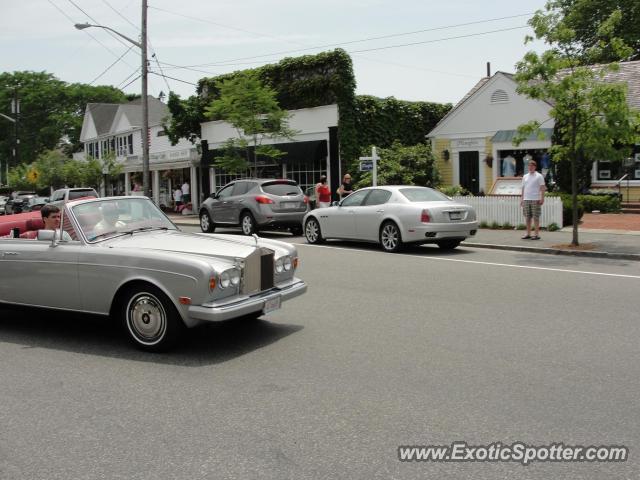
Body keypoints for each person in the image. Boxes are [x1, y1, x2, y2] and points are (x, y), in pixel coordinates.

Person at [520, 159, 546, 240]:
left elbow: (542, 188)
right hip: (526, 199)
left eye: (532, 166)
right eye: (529, 166)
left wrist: (542, 198)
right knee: (527, 217)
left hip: (535, 199)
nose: (530, 167)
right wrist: (522, 199)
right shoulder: (525, 176)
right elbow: (523, 188)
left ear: (535, 167)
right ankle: (528, 234)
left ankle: (536, 234)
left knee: (536, 217)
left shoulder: (539, 176)